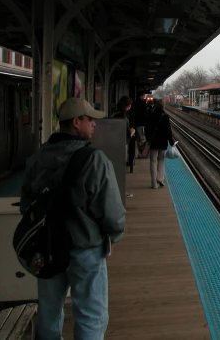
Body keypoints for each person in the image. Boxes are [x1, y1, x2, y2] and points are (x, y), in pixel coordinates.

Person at [20, 97, 126, 340]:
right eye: (90, 120)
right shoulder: (94, 160)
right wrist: (113, 236)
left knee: (48, 311)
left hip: (46, 248)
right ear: (76, 122)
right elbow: (111, 212)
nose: (94, 125)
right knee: (91, 314)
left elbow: (26, 203)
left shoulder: (37, 158)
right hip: (84, 248)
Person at [145, 98, 174, 189]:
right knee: (161, 160)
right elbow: (168, 131)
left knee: (153, 161)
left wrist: (148, 138)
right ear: (163, 106)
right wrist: (171, 141)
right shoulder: (165, 116)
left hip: (153, 141)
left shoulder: (150, 114)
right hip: (162, 141)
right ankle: (160, 179)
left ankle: (153, 183)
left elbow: (146, 128)